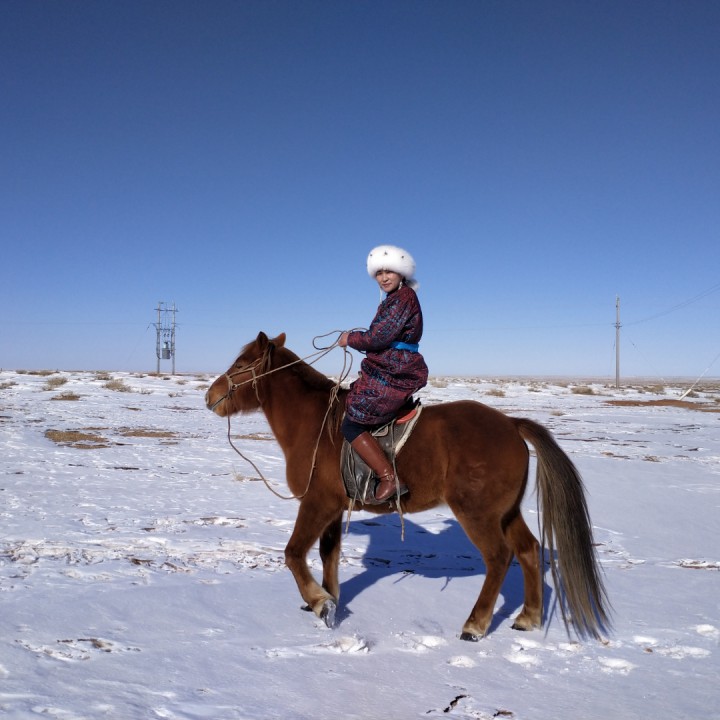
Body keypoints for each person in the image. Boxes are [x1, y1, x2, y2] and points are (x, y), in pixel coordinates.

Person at [338, 245, 429, 502]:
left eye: (389, 271)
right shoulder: (395, 298)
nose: (384, 277)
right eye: (379, 273)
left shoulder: (403, 298)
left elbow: (378, 337)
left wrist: (350, 338)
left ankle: (389, 477)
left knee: (352, 423)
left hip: (393, 370)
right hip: (390, 366)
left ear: (402, 273)